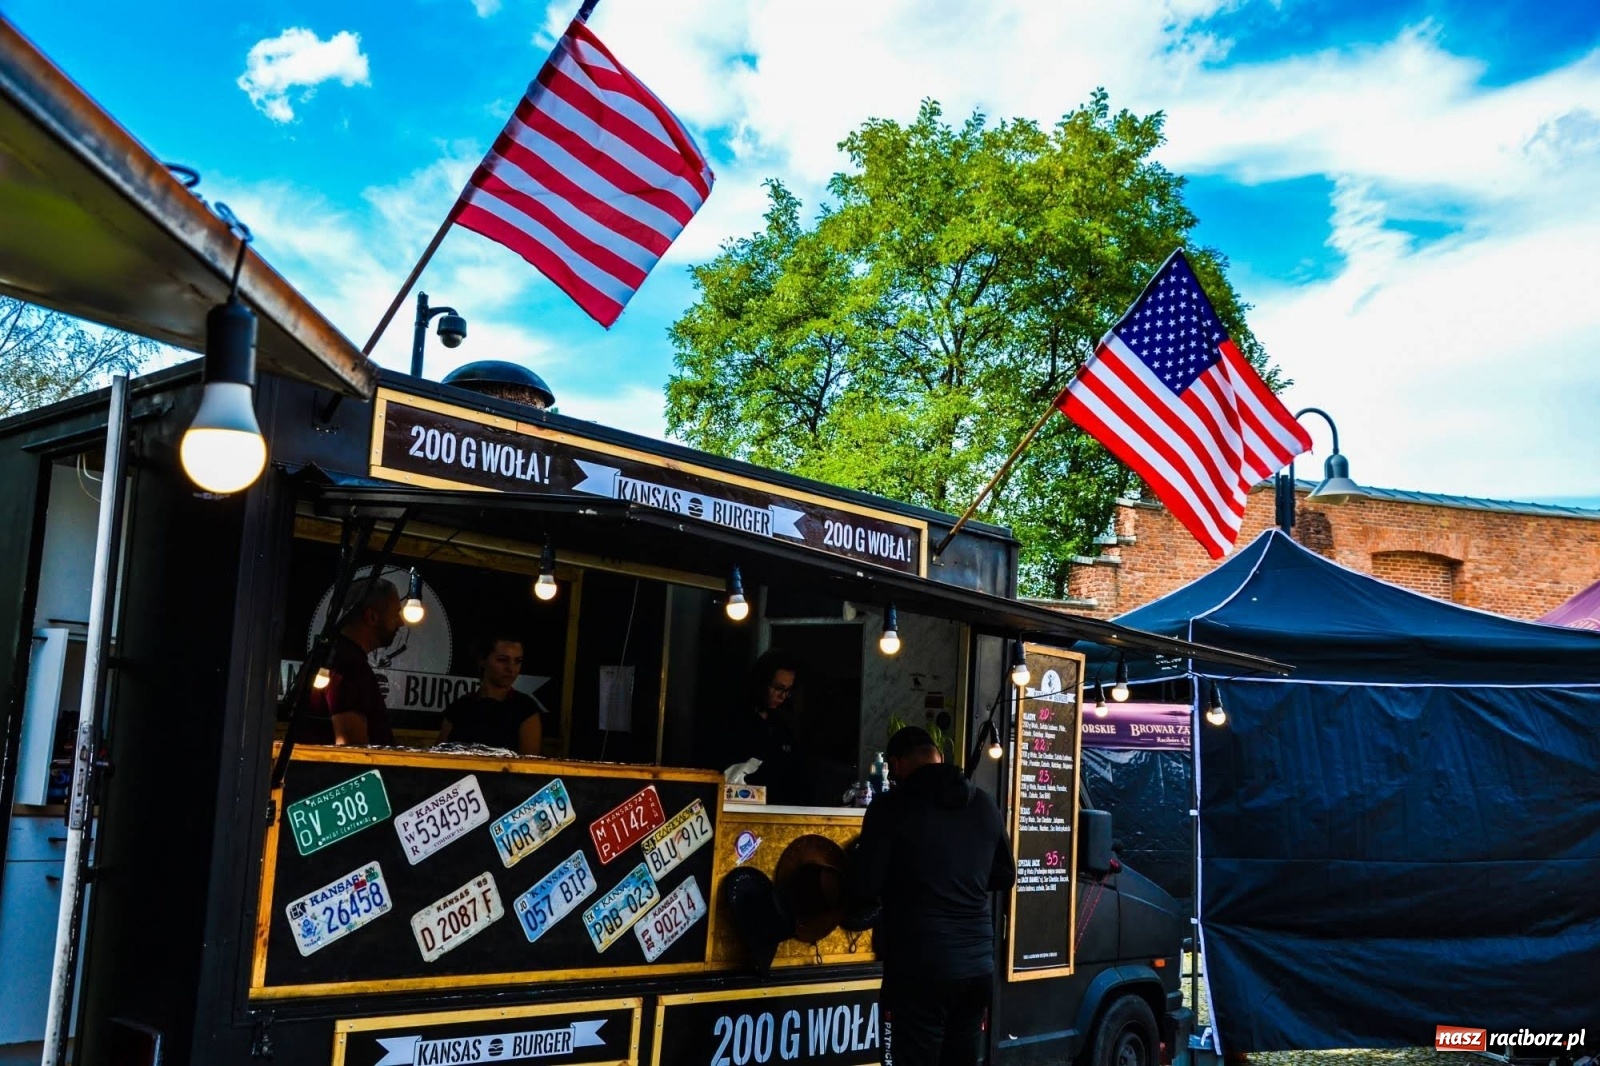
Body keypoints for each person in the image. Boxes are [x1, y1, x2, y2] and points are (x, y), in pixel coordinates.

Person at [845, 726, 1015, 1066]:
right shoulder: (982, 803)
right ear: (938, 756)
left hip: (917, 967)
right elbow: (1005, 875)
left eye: (892, 770)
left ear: (897, 763)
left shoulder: (891, 808)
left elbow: (865, 885)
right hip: (976, 968)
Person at [308, 576, 401, 747]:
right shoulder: (348, 667)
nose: (401, 622)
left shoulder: (337, 657)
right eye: (396, 615)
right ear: (372, 616)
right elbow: (350, 749)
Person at [437, 633, 553, 755]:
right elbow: (438, 758)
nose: (511, 668)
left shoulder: (525, 709)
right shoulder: (460, 708)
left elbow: (529, 766)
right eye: (503, 660)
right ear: (482, 660)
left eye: (517, 661)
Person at [722, 651, 808, 805]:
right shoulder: (735, 719)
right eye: (777, 688)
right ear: (761, 682)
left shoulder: (784, 725)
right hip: (740, 807)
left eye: (787, 690)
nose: (782, 696)